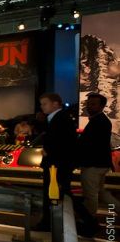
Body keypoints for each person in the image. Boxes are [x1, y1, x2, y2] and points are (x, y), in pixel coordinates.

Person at [78, 93, 120, 233]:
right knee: (101, 193)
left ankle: (89, 223)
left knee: (91, 195)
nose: (89, 106)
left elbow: (91, 145)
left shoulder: (99, 121)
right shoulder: (99, 120)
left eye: (93, 104)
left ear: (102, 106)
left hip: (93, 165)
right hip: (99, 164)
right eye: (88, 103)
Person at [36, 93, 77, 231]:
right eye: (41, 104)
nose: (42, 107)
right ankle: (50, 222)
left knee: (56, 193)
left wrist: (48, 151)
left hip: (57, 165)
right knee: (60, 193)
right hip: (57, 164)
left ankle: (48, 223)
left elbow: (64, 142)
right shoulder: (56, 118)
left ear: (55, 104)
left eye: (45, 103)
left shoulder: (61, 118)